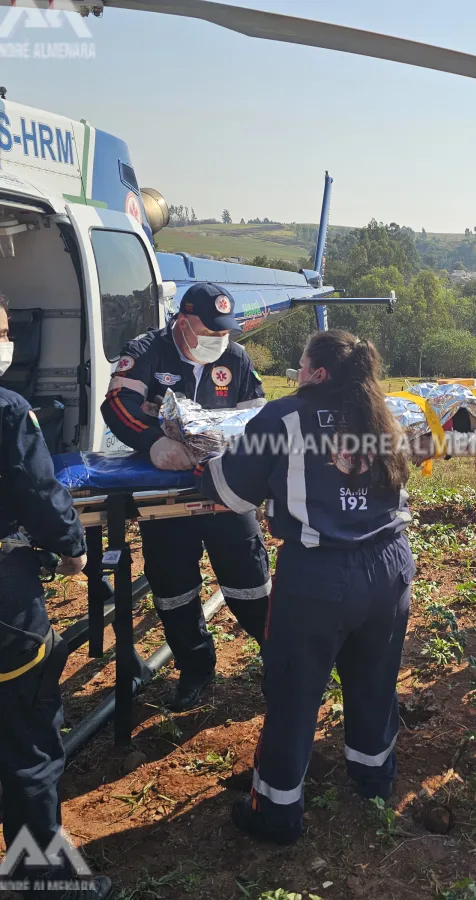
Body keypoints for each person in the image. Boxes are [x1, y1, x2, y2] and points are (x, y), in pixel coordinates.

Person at [196, 330, 415, 845]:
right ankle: (373, 776)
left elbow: (230, 491)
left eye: (300, 365)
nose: (296, 373)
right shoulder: (384, 414)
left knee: (294, 692)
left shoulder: (284, 416)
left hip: (319, 576)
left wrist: (204, 460)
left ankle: (276, 811)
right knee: (375, 678)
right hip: (389, 568)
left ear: (317, 373)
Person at [100, 282, 270, 711]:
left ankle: (279, 662)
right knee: (173, 587)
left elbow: (256, 415)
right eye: (207, 331)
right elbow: (118, 402)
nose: (217, 340)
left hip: (226, 492)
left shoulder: (235, 358)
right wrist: (153, 441)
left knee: (251, 583)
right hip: (165, 496)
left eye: (223, 331)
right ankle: (195, 666)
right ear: (182, 321)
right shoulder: (147, 351)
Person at [0, 295, 112, 898]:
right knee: (28, 743)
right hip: (5, 607)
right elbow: (42, 497)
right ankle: (37, 877)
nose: (9, 339)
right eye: (2, 330)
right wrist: (72, 550)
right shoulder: (9, 409)